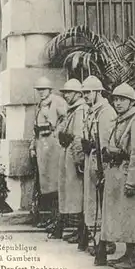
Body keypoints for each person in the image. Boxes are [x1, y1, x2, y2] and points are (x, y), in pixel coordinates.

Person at [98, 83, 135, 269]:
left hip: (129, 176)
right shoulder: (120, 120)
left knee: (133, 218)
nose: (118, 103)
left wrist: (133, 182)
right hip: (118, 175)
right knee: (124, 217)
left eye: (122, 99)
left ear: (131, 101)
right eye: (115, 99)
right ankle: (128, 254)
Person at [80, 75, 117, 263]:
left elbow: (105, 143)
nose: (85, 96)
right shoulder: (92, 111)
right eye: (83, 92)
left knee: (102, 202)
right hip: (91, 160)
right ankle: (95, 238)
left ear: (97, 92)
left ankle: (106, 241)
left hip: (100, 163)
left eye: (87, 92)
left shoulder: (106, 112)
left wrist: (101, 167)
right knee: (92, 201)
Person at [49, 79, 88, 240]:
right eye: (65, 92)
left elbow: (78, 136)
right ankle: (78, 230)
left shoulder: (80, 110)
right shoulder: (72, 110)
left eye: (69, 92)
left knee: (77, 194)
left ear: (79, 94)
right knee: (70, 192)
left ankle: (82, 231)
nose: (66, 95)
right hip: (67, 152)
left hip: (73, 154)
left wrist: (79, 161)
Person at [29, 76, 68, 232]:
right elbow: (35, 129)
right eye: (39, 90)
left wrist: (56, 133)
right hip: (41, 145)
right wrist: (33, 146)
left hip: (53, 146)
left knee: (55, 184)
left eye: (43, 89)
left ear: (50, 90)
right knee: (44, 185)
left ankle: (58, 219)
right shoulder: (39, 105)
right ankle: (50, 218)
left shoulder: (57, 101)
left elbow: (66, 119)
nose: (41, 92)